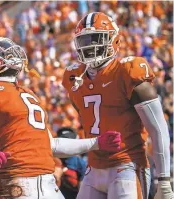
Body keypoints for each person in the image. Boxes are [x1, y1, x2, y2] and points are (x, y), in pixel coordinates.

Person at [0, 36, 122, 198]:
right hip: (15, 182)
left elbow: (51, 145)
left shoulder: (26, 92)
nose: (9, 52)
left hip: (48, 182)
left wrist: (96, 143)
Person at [62, 12, 173, 199]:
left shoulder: (127, 72)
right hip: (93, 167)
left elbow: (158, 129)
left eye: (96, 39)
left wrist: (163, 180)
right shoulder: (74, 77)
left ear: (113, 40)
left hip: (127, 165)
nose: (90, 46)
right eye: (85, 40)